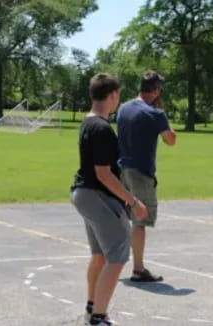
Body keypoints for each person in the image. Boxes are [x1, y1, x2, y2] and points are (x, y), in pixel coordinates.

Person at [70, 73, 147, 326]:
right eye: (118, 96)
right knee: (117, 253)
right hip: (96, 195)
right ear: (113, 95)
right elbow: (103, 174)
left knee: (100, 255)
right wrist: (132, 201)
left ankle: (92, 308)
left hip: (84, 194)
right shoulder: (102, 128)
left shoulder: (89, 122)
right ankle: (98, 318)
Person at [116, 70, 176, 282]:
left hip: (122, 169)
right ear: (157, 90)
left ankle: (113, 259)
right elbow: (170, 140)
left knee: (123, 216)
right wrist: (162, 117)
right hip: (141, 171)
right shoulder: (155, 113)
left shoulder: (123, 108)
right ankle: (138, 268)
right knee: (139, 220)